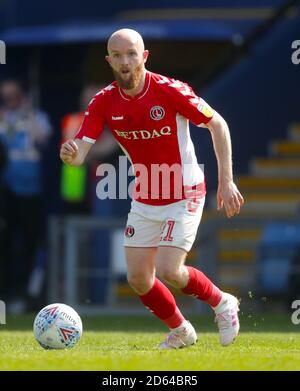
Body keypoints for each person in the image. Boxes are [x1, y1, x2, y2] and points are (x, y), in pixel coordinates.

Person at [60, 29, 244, 349]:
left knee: (170, 269)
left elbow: (218, 124)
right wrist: (71, 154)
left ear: (144, 56)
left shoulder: (170, 90)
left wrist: (226, 180)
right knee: (138, 278)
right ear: (109, 61)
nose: (125, 61)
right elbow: (81, 151)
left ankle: (222, 302)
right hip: (145, 196)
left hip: (184, 191)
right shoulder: (103, 101)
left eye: (132, 53)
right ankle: (181, 330)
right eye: (117, 55)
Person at [0, 80, 52, 312]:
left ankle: (31, 294)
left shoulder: (37, 117)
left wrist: (28, 115)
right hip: (9, 190)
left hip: (33, 191)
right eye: (6, 98)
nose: (11, 102)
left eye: (14, 97)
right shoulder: (3, 118)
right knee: (8, 242)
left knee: (32, 242)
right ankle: (7, 293)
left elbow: (43, 139)